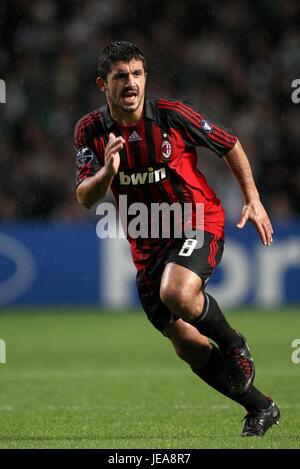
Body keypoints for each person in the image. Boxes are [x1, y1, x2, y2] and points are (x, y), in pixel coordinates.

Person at [74, 40, 280, 437]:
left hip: (197, 219)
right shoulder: (90, 129)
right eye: (121, 76)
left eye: (137, 74)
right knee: (187, 345)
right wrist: (107, 172)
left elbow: (229, 143)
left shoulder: (171, 115)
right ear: (104, 84)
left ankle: (235, 344)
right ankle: (261, 407)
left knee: (178, 293)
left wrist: (253, 199)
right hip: (146, 245)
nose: (130, 83)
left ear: (146, 77)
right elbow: (85, 197)